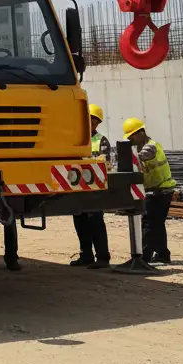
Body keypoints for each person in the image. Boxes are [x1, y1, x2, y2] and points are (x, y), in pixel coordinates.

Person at [124, 117, 177, 264]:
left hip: (160, 190)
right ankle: (163, 254)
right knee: (157, 224)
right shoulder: (141, 147)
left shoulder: (150, 147)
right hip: (159, 190)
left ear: (140, 133)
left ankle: (143, 257)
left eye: (131, 136)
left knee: (148, 223)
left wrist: (129, 158)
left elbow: (143, 156)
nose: (130, 140)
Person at [71, 104, 111, 268]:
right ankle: (86, 255)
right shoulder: (74, 140)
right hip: (77, 189)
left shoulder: (101, 141)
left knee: (96, 223)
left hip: (94, 189)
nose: (92, 124)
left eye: (95, 121)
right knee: (80, 223)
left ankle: (102, 257)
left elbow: (105, 164)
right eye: (90, 120)